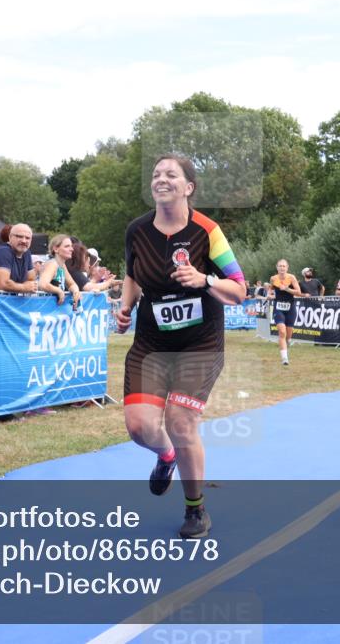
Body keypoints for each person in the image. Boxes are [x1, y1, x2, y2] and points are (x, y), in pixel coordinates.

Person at [113, 154, 245, 539]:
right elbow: (132, 275)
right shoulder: (137, 231)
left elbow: (239, 290)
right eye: (156, 174)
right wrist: (126, 306)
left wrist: (205, 280)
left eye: (171, 174)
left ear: (188, 187)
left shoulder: (208, 231)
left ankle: (195, 508)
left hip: (199, 343)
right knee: (139, 427)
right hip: (151, 342)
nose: (161, 179)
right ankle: (166, 455)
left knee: (180, 421)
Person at [0, 223, 38, 293]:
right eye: (19, 236)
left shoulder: (26, 253)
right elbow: (3, 284)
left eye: (27, 238)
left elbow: (31, 281)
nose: (24, 241)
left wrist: (26, 286)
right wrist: (24, 287)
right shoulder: (3, 251)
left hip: (8, 299)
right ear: (10, 237)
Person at [269, 259, 302, 366]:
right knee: (282, 332)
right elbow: (270, 289)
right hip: (278, 308)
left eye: (284, 266)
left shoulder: (291, 278)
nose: (282, 268)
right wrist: (269, 295)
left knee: (288, 336)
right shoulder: (273, 278)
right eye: (280, 266)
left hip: (290, 308)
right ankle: (284, 358)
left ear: (287, 268)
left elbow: (298, 292)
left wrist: (287, 289)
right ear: (277, 267)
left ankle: (287, 342)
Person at [39, 234, 83, 308]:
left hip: (52, 307)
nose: (71, 249)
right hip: (44, 307)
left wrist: (76, 291)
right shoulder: (52, 264)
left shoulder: (62, 265)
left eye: (71, 246)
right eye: (67, 246)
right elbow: (43, 284)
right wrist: (59, 291)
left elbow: (71, 284)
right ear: (56, 249)